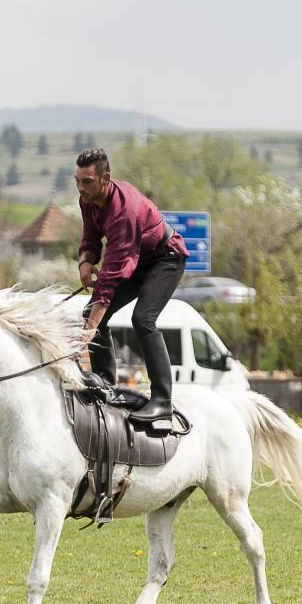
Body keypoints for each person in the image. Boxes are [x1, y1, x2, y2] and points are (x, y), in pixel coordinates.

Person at [75, 148, 189, 423]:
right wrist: (85, 262)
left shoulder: (123, 211)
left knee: (143, 319)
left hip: (166, 258)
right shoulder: (88, 199)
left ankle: (162, 401)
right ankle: (105, 384)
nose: (81, 187)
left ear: (106, 178)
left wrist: (87, 333)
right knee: (90, 314)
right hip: (139, 260)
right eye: (77, 180)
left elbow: (112, 276)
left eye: (87, 181)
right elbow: (91, 238)